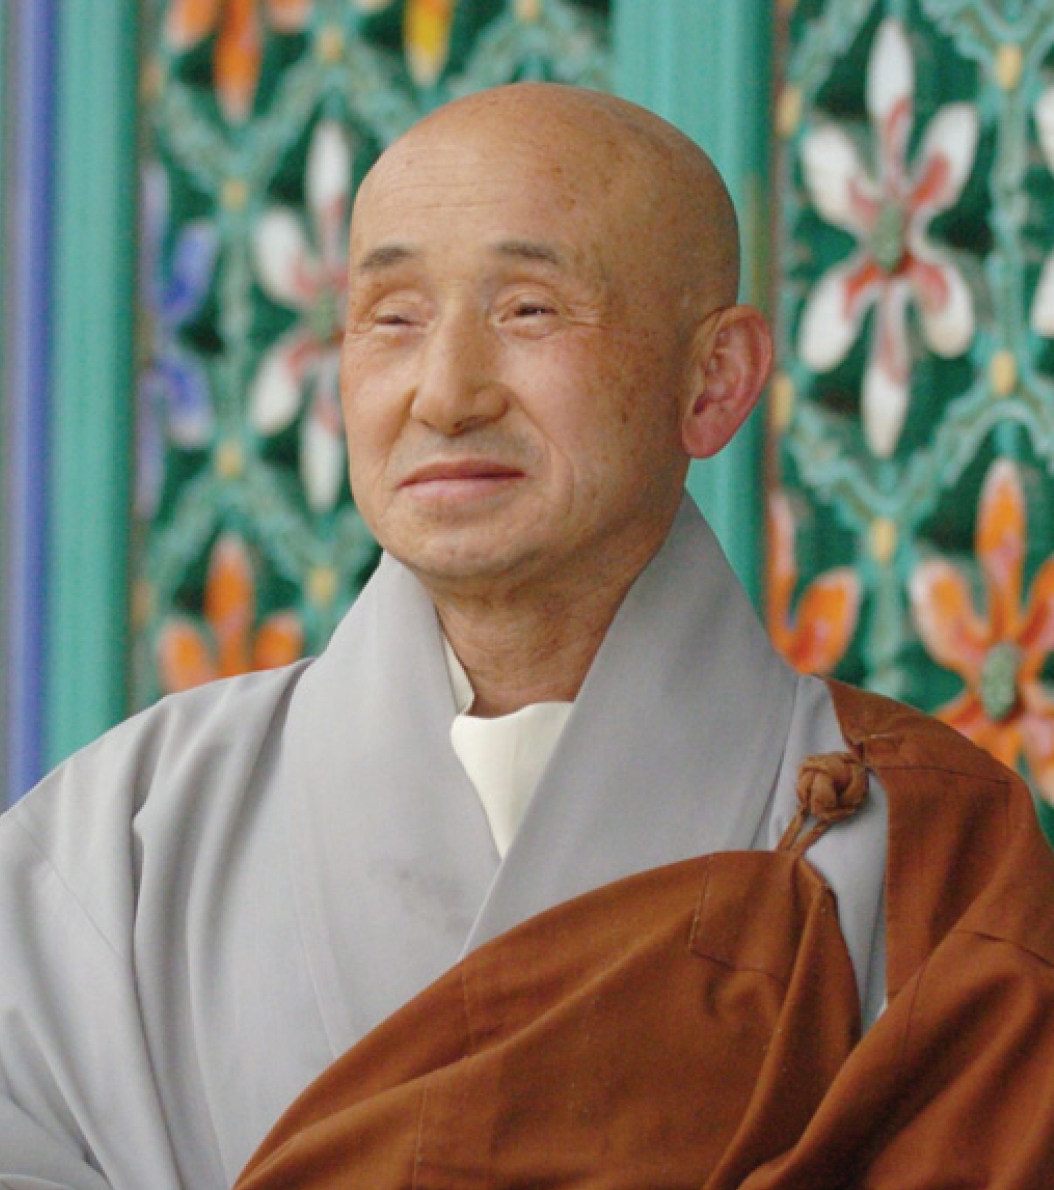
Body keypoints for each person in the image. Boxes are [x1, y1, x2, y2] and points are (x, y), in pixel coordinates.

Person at [1, 83, 1053, 1190]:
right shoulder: (123, 840)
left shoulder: (922, 848)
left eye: (530, 311)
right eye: (392, 318)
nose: (445, 394)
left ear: (713, 381)